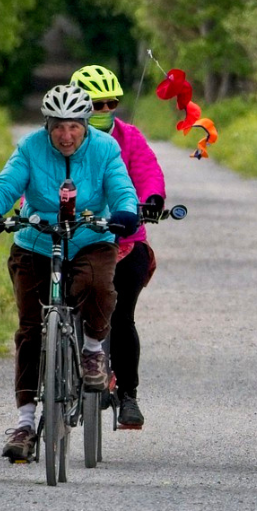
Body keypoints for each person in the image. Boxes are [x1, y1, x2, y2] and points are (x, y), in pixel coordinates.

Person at [0, 84, 139, 462]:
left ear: (85, 124)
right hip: (37, 241)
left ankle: (93, 350)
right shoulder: (31, 148)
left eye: (74, 127)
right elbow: (5, 185)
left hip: (89, 237)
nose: (65, 136)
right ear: (47, 125)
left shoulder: (105, 149)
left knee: (98, 285)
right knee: (30, 330)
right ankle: (26, 423)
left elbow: (122, 190)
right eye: (58, 127)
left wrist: (125, 214)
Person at [70, 64, 166, 431]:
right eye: (95, 103)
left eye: (110, 103)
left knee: (121, 316)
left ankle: (128, 395)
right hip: (74, 240)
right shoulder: (60, 138)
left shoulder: (130, 137)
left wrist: (153, 199)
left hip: (124, 243)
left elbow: (147, 172)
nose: (104, 110)